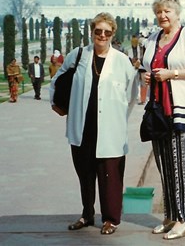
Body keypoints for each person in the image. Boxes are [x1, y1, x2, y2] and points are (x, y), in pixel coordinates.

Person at [50, 12, 138, 236]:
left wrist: (119, 118)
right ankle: (87, 214)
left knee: (110, 177)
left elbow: (131, 95)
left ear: (112, 34)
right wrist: (57, 103)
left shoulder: (121, 60)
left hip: (110, 129)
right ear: (92, 32)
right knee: (85, 174)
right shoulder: (78, 55)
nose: (102, 35)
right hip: (82, 126)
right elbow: (58, 79)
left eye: (107, 32)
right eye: (98, 31)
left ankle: (110, 219)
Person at [141, 0, 185, 240]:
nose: (163, 16)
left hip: (182, 112)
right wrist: (148, 77)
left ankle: (184, 219)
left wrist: (172, 73)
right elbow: (145, 67)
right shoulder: (153, 39)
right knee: (165, 168)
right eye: (159, 12)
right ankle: (170, 216)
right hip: (159, 113)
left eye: (167, 11)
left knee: (182, 169)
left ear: (177, 13)